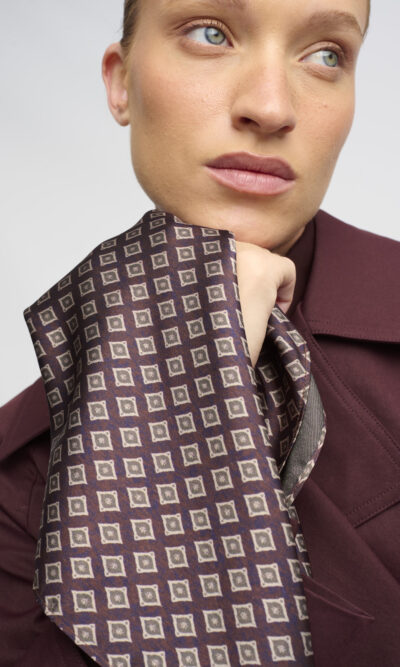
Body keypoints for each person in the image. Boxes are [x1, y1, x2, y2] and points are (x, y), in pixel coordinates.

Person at [1, 0, 399, 665]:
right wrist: (185, 366)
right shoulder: (23, 470)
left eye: (326, 54)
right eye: (211, 34)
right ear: (121, 82)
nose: (270, 107)